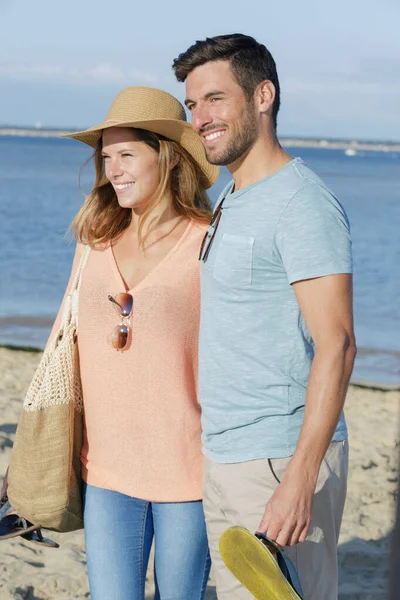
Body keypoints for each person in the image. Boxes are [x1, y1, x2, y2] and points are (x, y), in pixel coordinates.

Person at [2, 86, 219, 600]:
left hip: (188, 470)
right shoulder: (94, 238)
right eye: (106, 158)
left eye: (127, 155)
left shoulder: (209, 243)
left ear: (166, 158)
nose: (113, 169)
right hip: (104, 468)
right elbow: (61, 342)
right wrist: (28, 449)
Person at [172, 34, 356, 600]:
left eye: (215, 99)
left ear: (263, 96)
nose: (200, 118)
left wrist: (300, 478)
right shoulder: (232, 197)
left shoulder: (301, 202)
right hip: (226, 456)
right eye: (192, 105)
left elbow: (339, 344)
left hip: (279, 459)